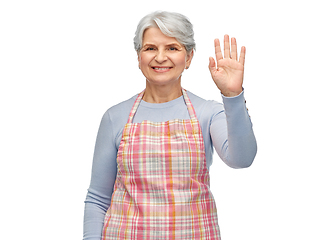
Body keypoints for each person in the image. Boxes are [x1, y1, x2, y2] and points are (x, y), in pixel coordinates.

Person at [83, 11, 257, 240]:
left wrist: (232, 95)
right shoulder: (115, 117)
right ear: (139, 57)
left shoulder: (208, 112)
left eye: (172, 48)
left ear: (189, 57)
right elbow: (98, 198)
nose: (160, 57)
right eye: (150, 48)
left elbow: (242, 159)